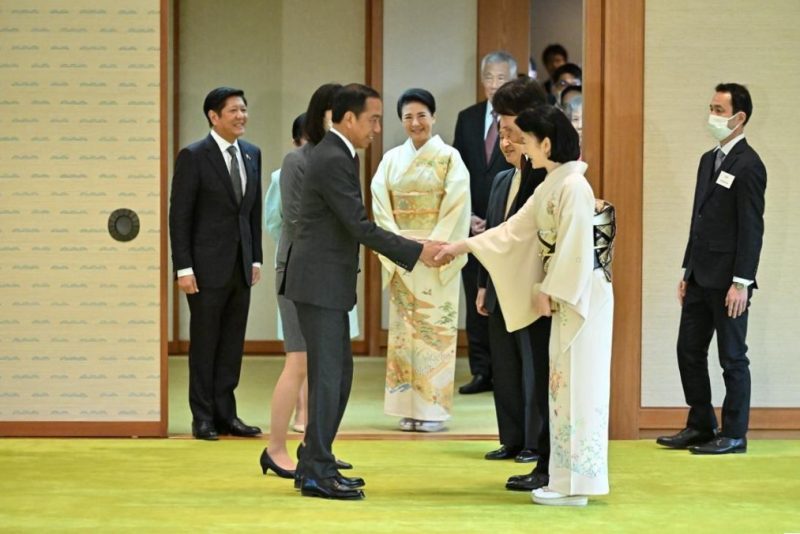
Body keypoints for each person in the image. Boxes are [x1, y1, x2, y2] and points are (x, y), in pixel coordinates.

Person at [437, 105, 614, 507]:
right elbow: (511, 231)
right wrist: (460, 246)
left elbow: (575, 250)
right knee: (561, 384)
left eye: (527, 141)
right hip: (563, 293)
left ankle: (577, 482)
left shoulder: (573, 187)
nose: (522, 149)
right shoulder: (553, 183)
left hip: (580, 297)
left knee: (578, 384)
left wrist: (550, 288)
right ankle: (563, 477)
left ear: (546, 143)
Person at [283, 83, 448, 500]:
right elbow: (358, 226)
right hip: (318, 283)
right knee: (329, 378)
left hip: (323, 282)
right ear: (348, 118)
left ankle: (312, 460)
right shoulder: (333, 157)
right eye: (373, 119)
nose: (378, 127)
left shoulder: (338, 154)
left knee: (336, 376)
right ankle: (317, 470)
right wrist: (417, 250)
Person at [656, 83, 766, 455]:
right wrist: (686, 270)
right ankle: (701, 423)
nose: (713, 116)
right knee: (688, 349)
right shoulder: (709, 160)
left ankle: (734, 433)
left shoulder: (749, 165)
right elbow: (698, 219)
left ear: (740, 117)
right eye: (711, 108)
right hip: (701, 275)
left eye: (719, 110)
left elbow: (752, 227)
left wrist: (742, 282)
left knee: (732, 356)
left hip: (730, 280)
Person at [371, 88, 470, 433]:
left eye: (421, 115)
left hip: (435, 256)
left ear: (434, 117)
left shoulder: (450, 158)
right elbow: (380, 206)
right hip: (403, 255)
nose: (416, 123)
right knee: (403, 334)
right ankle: (406, 406)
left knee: (434, 333)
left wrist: (437, 246)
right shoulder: (391, 159)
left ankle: (433, 410)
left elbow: (457, 205)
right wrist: (399, 245)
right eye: (408, 117)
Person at [169, 87, 263, 441]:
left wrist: (255, 258)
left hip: (240, 267)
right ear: (213, 116)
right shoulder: (194, 156)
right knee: (206, 343)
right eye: (233, 111)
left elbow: (251, 212)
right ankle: (203, 416)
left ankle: (228, 414)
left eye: (244, 109)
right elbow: (179, 217)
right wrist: (184, 267)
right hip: (204, 269)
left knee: (231, 344)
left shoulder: (252, 154)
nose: (241, 116)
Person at [475, 78, 550, 474]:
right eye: (501, 134)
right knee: (504, 364)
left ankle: (535, 443)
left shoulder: (543, 177)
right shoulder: (501, 179)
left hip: (531, 285)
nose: (506, 142)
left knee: (530, 364)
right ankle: (512, 437)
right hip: (500, 286)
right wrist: (483, 286)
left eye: (511, 133)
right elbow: (492, 233)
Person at [452, 50, 516, 395]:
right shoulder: (468, 118)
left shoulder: (519, 122)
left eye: (501, 78)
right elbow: (457, 172)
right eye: (489, 77)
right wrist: (468, 216)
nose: (493, 84)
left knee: (501, 296)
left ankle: (504, 370)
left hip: (507, 224)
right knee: (472, 296)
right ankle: (480, 370)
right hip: (472, 223)